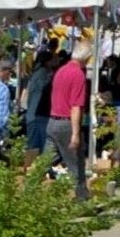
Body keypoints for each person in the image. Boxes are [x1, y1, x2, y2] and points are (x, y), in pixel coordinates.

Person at [48, 42, 92, 201]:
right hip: (66, 123)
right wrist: (75, 133)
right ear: (87, 58)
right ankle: (82, 198)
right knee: (76, 164)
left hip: (52, 120)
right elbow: (76, 106)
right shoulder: (78, 74)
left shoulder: (61, 70)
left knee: (46, 160)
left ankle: (28, 192)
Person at [21, 50, 58, 154]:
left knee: (34, 145)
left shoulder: (39, 72)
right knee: (34, 146)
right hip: (35, 112)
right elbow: (43, 89)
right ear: (47, 61)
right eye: (53, 59)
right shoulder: (43, 73)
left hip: (34, 112)